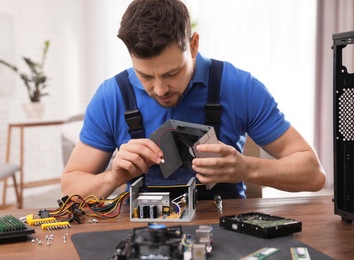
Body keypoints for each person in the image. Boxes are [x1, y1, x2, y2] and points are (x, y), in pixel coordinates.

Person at [61, 0, 325, 200]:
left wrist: (245, 168)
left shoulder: (240, 87)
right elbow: (71, 187)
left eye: (171, 73)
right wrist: (113, 178)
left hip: (227, 231)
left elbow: (313, 174)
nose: (160, 89)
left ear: (194, 45)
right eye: (144, 76)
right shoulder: (111, 96)